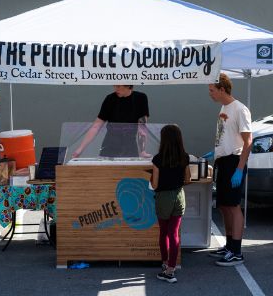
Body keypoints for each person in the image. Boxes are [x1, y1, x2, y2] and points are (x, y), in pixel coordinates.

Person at [209, 74, 252, 267]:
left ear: (222, 89)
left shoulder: (240, 109)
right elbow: (226, 135)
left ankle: (236, 251)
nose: (210, 93)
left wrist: (239, 169)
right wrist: (217, 151)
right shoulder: (224, 108)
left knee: (234, 206)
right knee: (225, 206)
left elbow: (248, 141)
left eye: (212, 90)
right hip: (224, 162)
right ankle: (228, 246)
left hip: (234, 162)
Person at [152, 124, 191, 284]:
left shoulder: (157, 159)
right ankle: (171, 269)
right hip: (179, 196)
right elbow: (187, 179)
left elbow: (154, 185)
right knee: (174, 234)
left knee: (164, 233)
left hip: (163, 198)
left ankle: (165, 264)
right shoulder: (185, 157)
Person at [71, 84, 150, 160]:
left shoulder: (140, 98)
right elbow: (96, 126)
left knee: (128, 172)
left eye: (118, 86)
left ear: (128, 85)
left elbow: (142, 128)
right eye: (114, 85)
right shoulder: (110, 99)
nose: (115, 89)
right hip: (109, 146)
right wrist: (80, 149)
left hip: (130, 146)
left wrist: (142, 151)